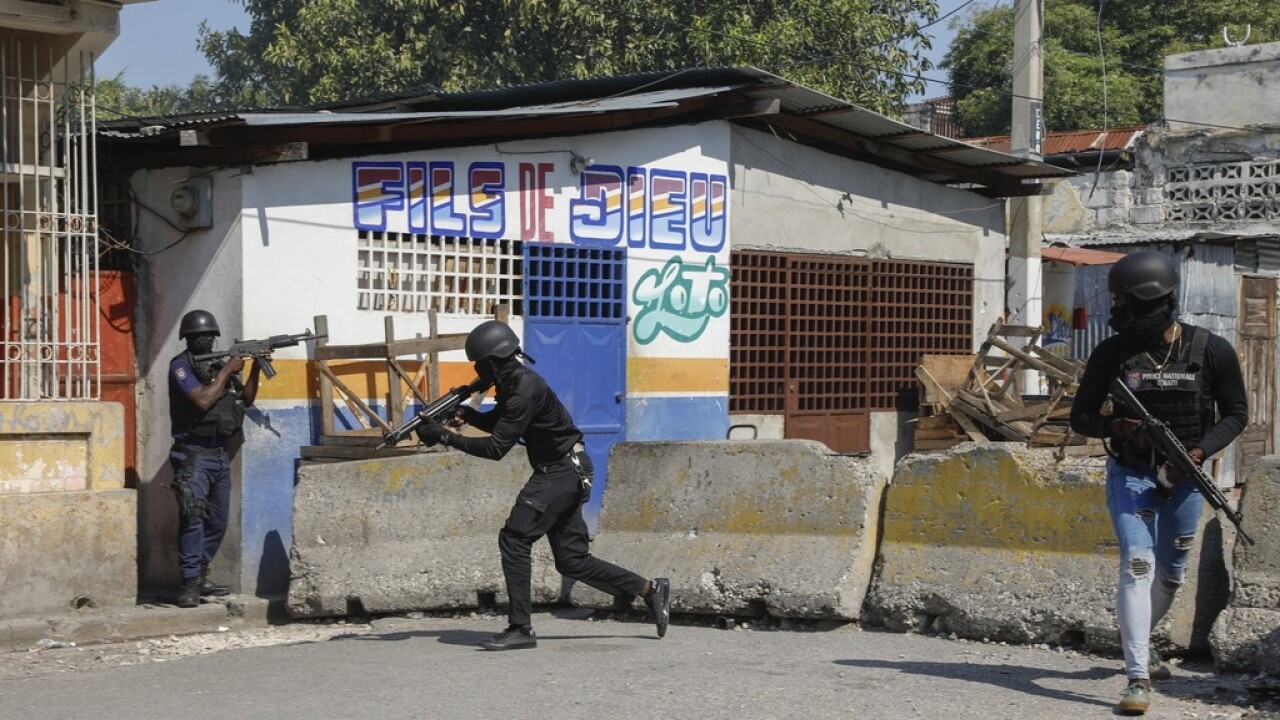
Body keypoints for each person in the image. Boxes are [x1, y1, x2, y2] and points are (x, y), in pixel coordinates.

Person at [414, 319, 670, 650]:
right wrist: (469, 415)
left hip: (562, 471)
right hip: (568, 468)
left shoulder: (522, 388)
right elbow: (503, 422)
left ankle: (520, 627)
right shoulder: (514, 383)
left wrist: (445, 437)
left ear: (492, 362)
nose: (477, 370)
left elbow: (496, 448)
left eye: (479, 364)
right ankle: (650, 590)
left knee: (515, 538)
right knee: (572, 561)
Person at [1070, 251, 1247, 716]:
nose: (1118, 311)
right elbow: (1083, 417)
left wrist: (1198, 452)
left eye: (1125, 303)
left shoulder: (1211, 350)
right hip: (1132, 473)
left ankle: (1142, 644)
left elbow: (1236, 414)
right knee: (1138, 566)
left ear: (1155, 301)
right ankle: (1137, 677)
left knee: (1171, 573)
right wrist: (1124, 429)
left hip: (1187, 478)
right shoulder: (1111, 353)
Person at [167, 309, 267, 608]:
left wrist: (255, 367)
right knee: (193, 519)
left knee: (218, 522)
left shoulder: (220, 364)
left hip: (220, 456)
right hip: (193, 457)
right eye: (201, 336)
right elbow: (202, 400)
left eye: (211, 335)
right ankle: (189, 584)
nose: (208, 340)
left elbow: (246, 400)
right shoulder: (181, 367)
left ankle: (200, 574)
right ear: (188, 338)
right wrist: (226, 371)